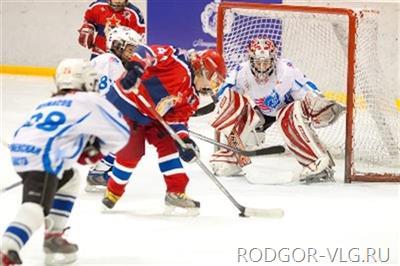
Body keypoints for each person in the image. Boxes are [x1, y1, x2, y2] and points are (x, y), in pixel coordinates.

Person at [0, 59, 130, 266]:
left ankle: (54, 236)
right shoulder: (89, 100)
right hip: (44, 157)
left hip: (21, 151)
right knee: (35, 207)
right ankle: (7, 248)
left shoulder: (47, 101)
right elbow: (121, 133)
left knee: (70, 177)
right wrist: (97, 151)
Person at [92, 44, 226, 215]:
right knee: (131, 154)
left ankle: (175, 192)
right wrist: (136, 68)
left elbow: (177, 120)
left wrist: (184, 140)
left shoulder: (192, 98)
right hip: (126, 104)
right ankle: (113, 192)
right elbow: (146, 51)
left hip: (151, 116)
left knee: (169, 145)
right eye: (213, 80)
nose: (213, 86)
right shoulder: (175, 60)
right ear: (202, 69)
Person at [210, 37, 345, 183]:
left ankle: (317, 161)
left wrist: (320, 106)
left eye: (266, 62)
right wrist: (223, 107)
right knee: (237, 107)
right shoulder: (241, 72)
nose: (262, 67)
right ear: (250, 59)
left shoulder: (287, 71)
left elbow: (310, 95)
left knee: (285, 116)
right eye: (258, 62)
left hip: (290, 110)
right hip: (263, 112)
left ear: (274, 59)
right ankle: (233, 157)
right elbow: (223, 95)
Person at [84, 25, 143, 192]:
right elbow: (109, 95)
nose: (134, 53)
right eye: (131, 49)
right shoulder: (110, 61)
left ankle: (100, 170)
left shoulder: (112, 62)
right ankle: (98, 172)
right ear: (118, 46)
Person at [78, 0, 145, 59]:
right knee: (94, 72)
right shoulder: (97, 6)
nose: (118, 1)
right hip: (98, 52)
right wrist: (88, 28)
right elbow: (89, 20)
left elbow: (139, 37)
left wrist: (129, 51)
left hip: (120, 57)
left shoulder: (134, 13)